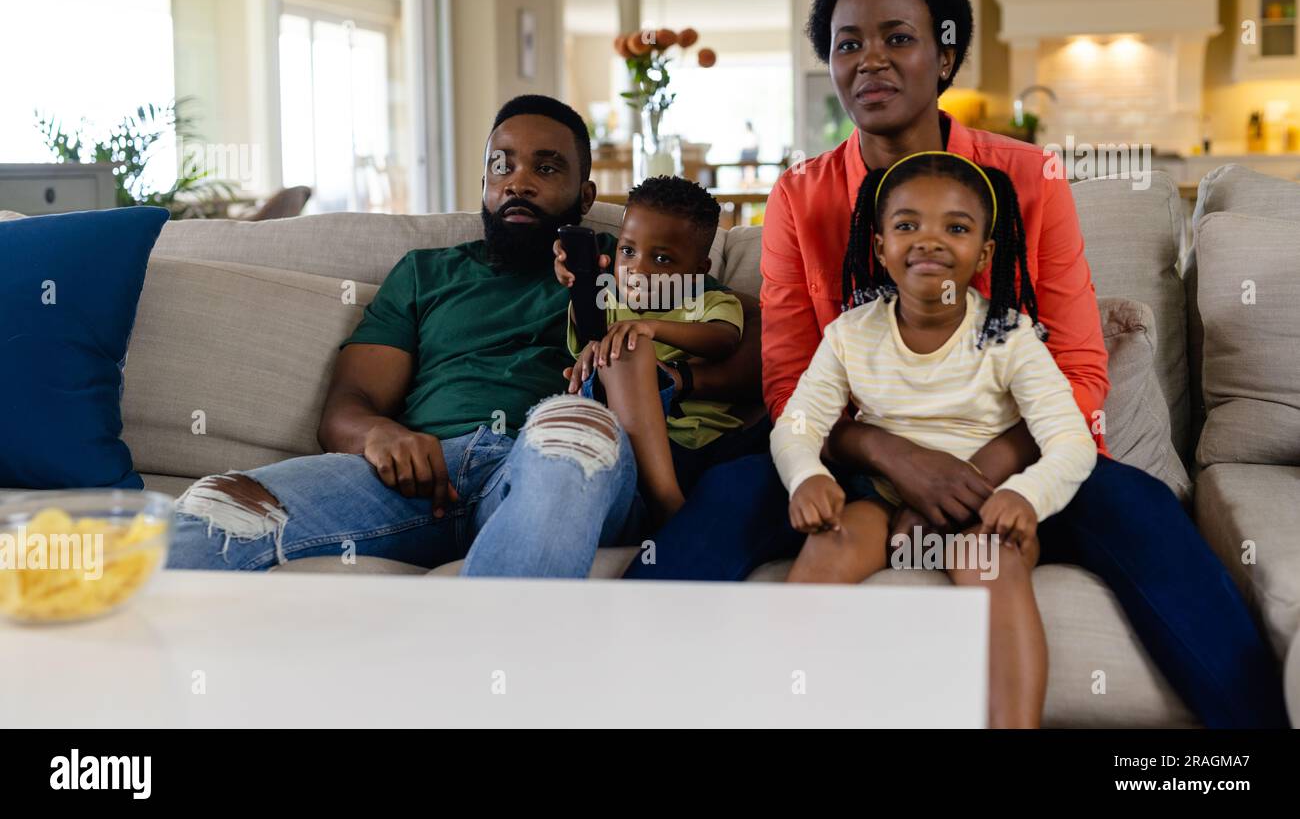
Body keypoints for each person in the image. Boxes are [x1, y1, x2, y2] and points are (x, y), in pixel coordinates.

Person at [624, 0, 1288, 728]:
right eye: (848, 44)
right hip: (856, 450)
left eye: (897, 38)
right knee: (726, 497)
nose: (870, 60)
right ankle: (601, 696)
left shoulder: (1030, 178)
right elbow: (789, 382)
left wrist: (982, 469)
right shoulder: (801, 196)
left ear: (945, 58)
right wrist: (893, 455)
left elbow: (1077, 367)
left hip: (1014, 449)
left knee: (1146, 514)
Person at [166, 95, 714, 578]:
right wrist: (379, 435)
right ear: (483, 182)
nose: (518, 182)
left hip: (555, 466)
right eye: (502, 165)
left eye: (546, 169)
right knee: (219, 504)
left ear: (585, 194)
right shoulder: (426, 272)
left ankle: (485, 681)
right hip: (422, 481)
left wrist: (678, 371)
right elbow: (348, 407)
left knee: (573, 427)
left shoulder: (627, 270)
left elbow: (736, 329)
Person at [773, 151, 1096, 727]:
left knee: (992, 564)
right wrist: (808, 477)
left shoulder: (1009, 335)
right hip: (883, 492)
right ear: (878, 248)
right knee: (827, 546)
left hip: (980, 499)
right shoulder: (851, 333)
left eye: (956, 227)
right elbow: (798, 424)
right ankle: (790, 711)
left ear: (985, 253)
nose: (929, 240)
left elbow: (1072, 440)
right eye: (906, 225)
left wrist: (1027, 496)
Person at [558, 175, 760, 522]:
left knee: (631, 343)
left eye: (662, 260)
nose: (638, 268)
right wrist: (581, 287)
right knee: (621, 348)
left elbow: (722, 340)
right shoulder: (608, 298)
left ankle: (667, 507)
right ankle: (665, 507)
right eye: (628, 251)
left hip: (694, 444)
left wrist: (651, 327)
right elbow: (586, 332)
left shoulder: (709, 301)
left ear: (698, 271)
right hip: (620, 433)